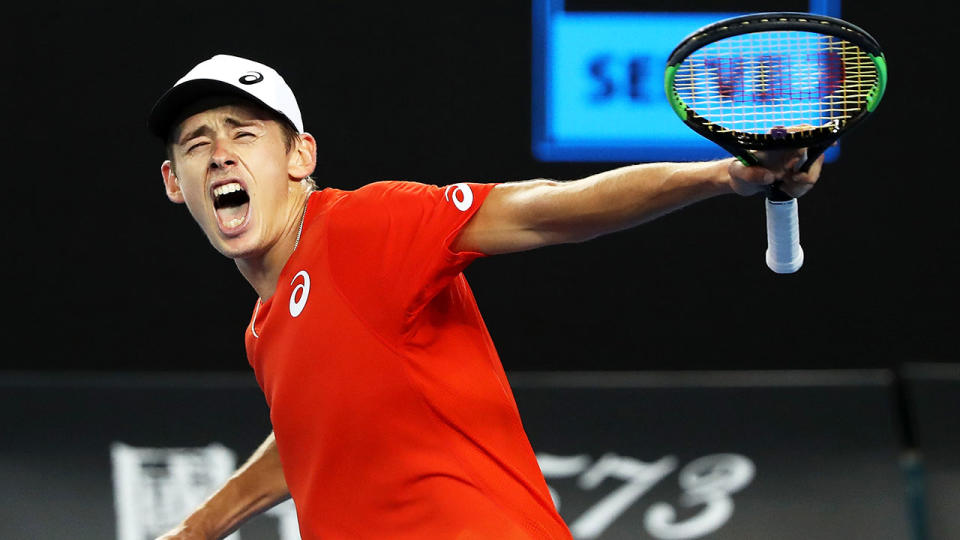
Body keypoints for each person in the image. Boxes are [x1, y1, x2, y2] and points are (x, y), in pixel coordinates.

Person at [149, 54, 822, 540]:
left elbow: (551, 209)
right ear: (175, 182)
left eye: (244, 134)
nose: (219, 156)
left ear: (300, 157)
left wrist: (721, 177)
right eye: (197, 144)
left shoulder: (363, 227)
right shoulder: (266, 328)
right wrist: (199, 527)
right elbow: (310, 436)